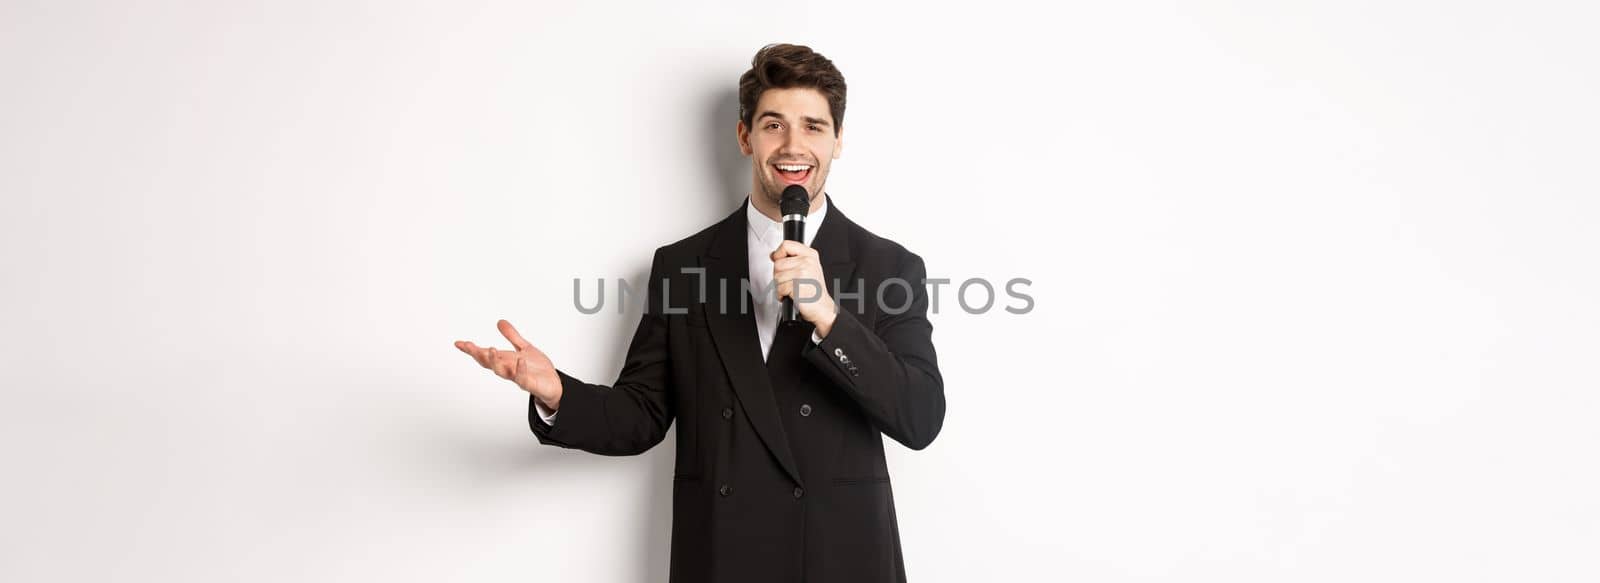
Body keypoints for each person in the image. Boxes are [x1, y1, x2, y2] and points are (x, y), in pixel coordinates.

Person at [454, 43, 946, 583]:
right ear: (745, 137)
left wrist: (828, 316)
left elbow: (919, 417)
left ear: (838, 141)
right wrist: (556, 394)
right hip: (722, 555)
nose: (793, 146)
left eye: (813, 126)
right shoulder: (682, 266)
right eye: (773, 125)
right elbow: (642, 415)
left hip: (842, 557)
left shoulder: (889, 266)